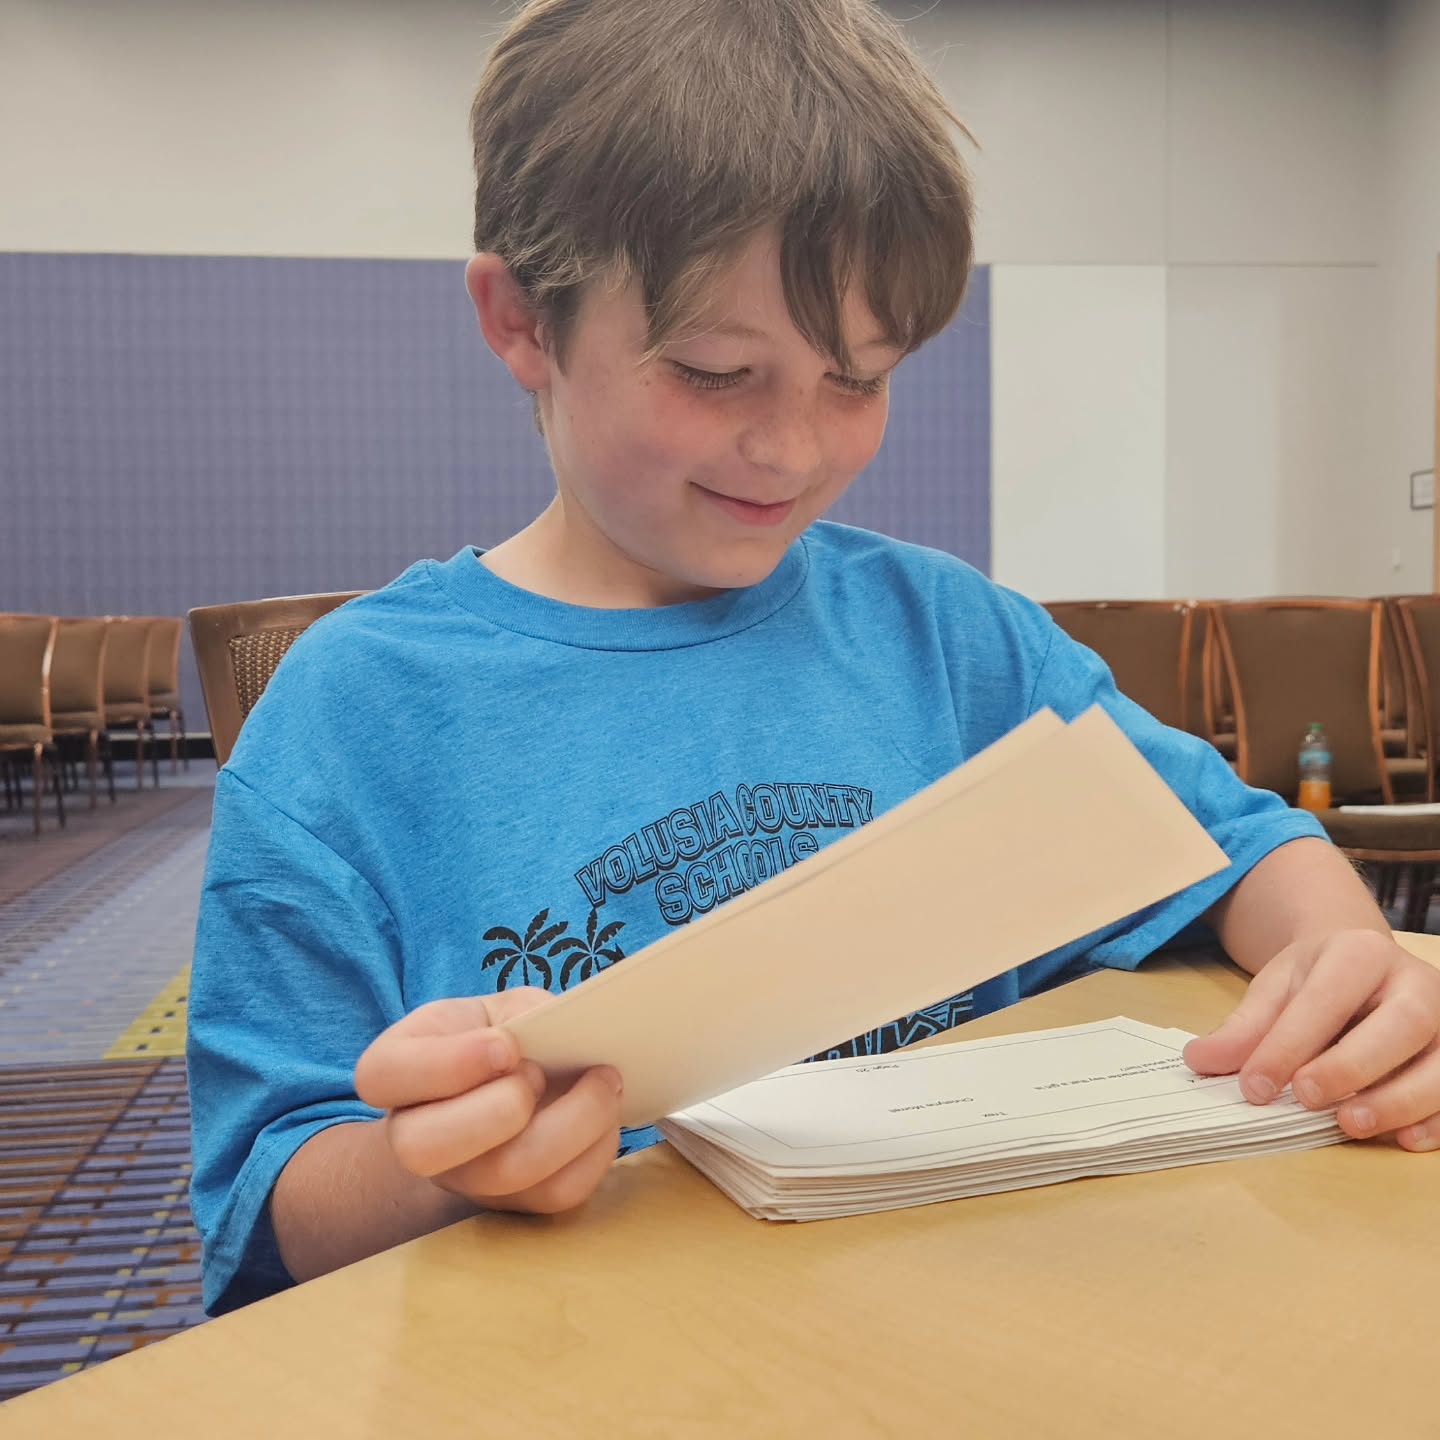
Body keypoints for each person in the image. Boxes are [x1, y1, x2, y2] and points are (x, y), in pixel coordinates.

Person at [187, 0, 1440, 1317]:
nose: (791, 450)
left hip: (951, 1332)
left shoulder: (950, 641)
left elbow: (1247, 848)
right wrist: (437, 1169)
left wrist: (1349, 961)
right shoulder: (356, 713)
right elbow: (273, 1197)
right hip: (576, 1366)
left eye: (858, 378)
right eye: (719, 370)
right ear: (522, 324)